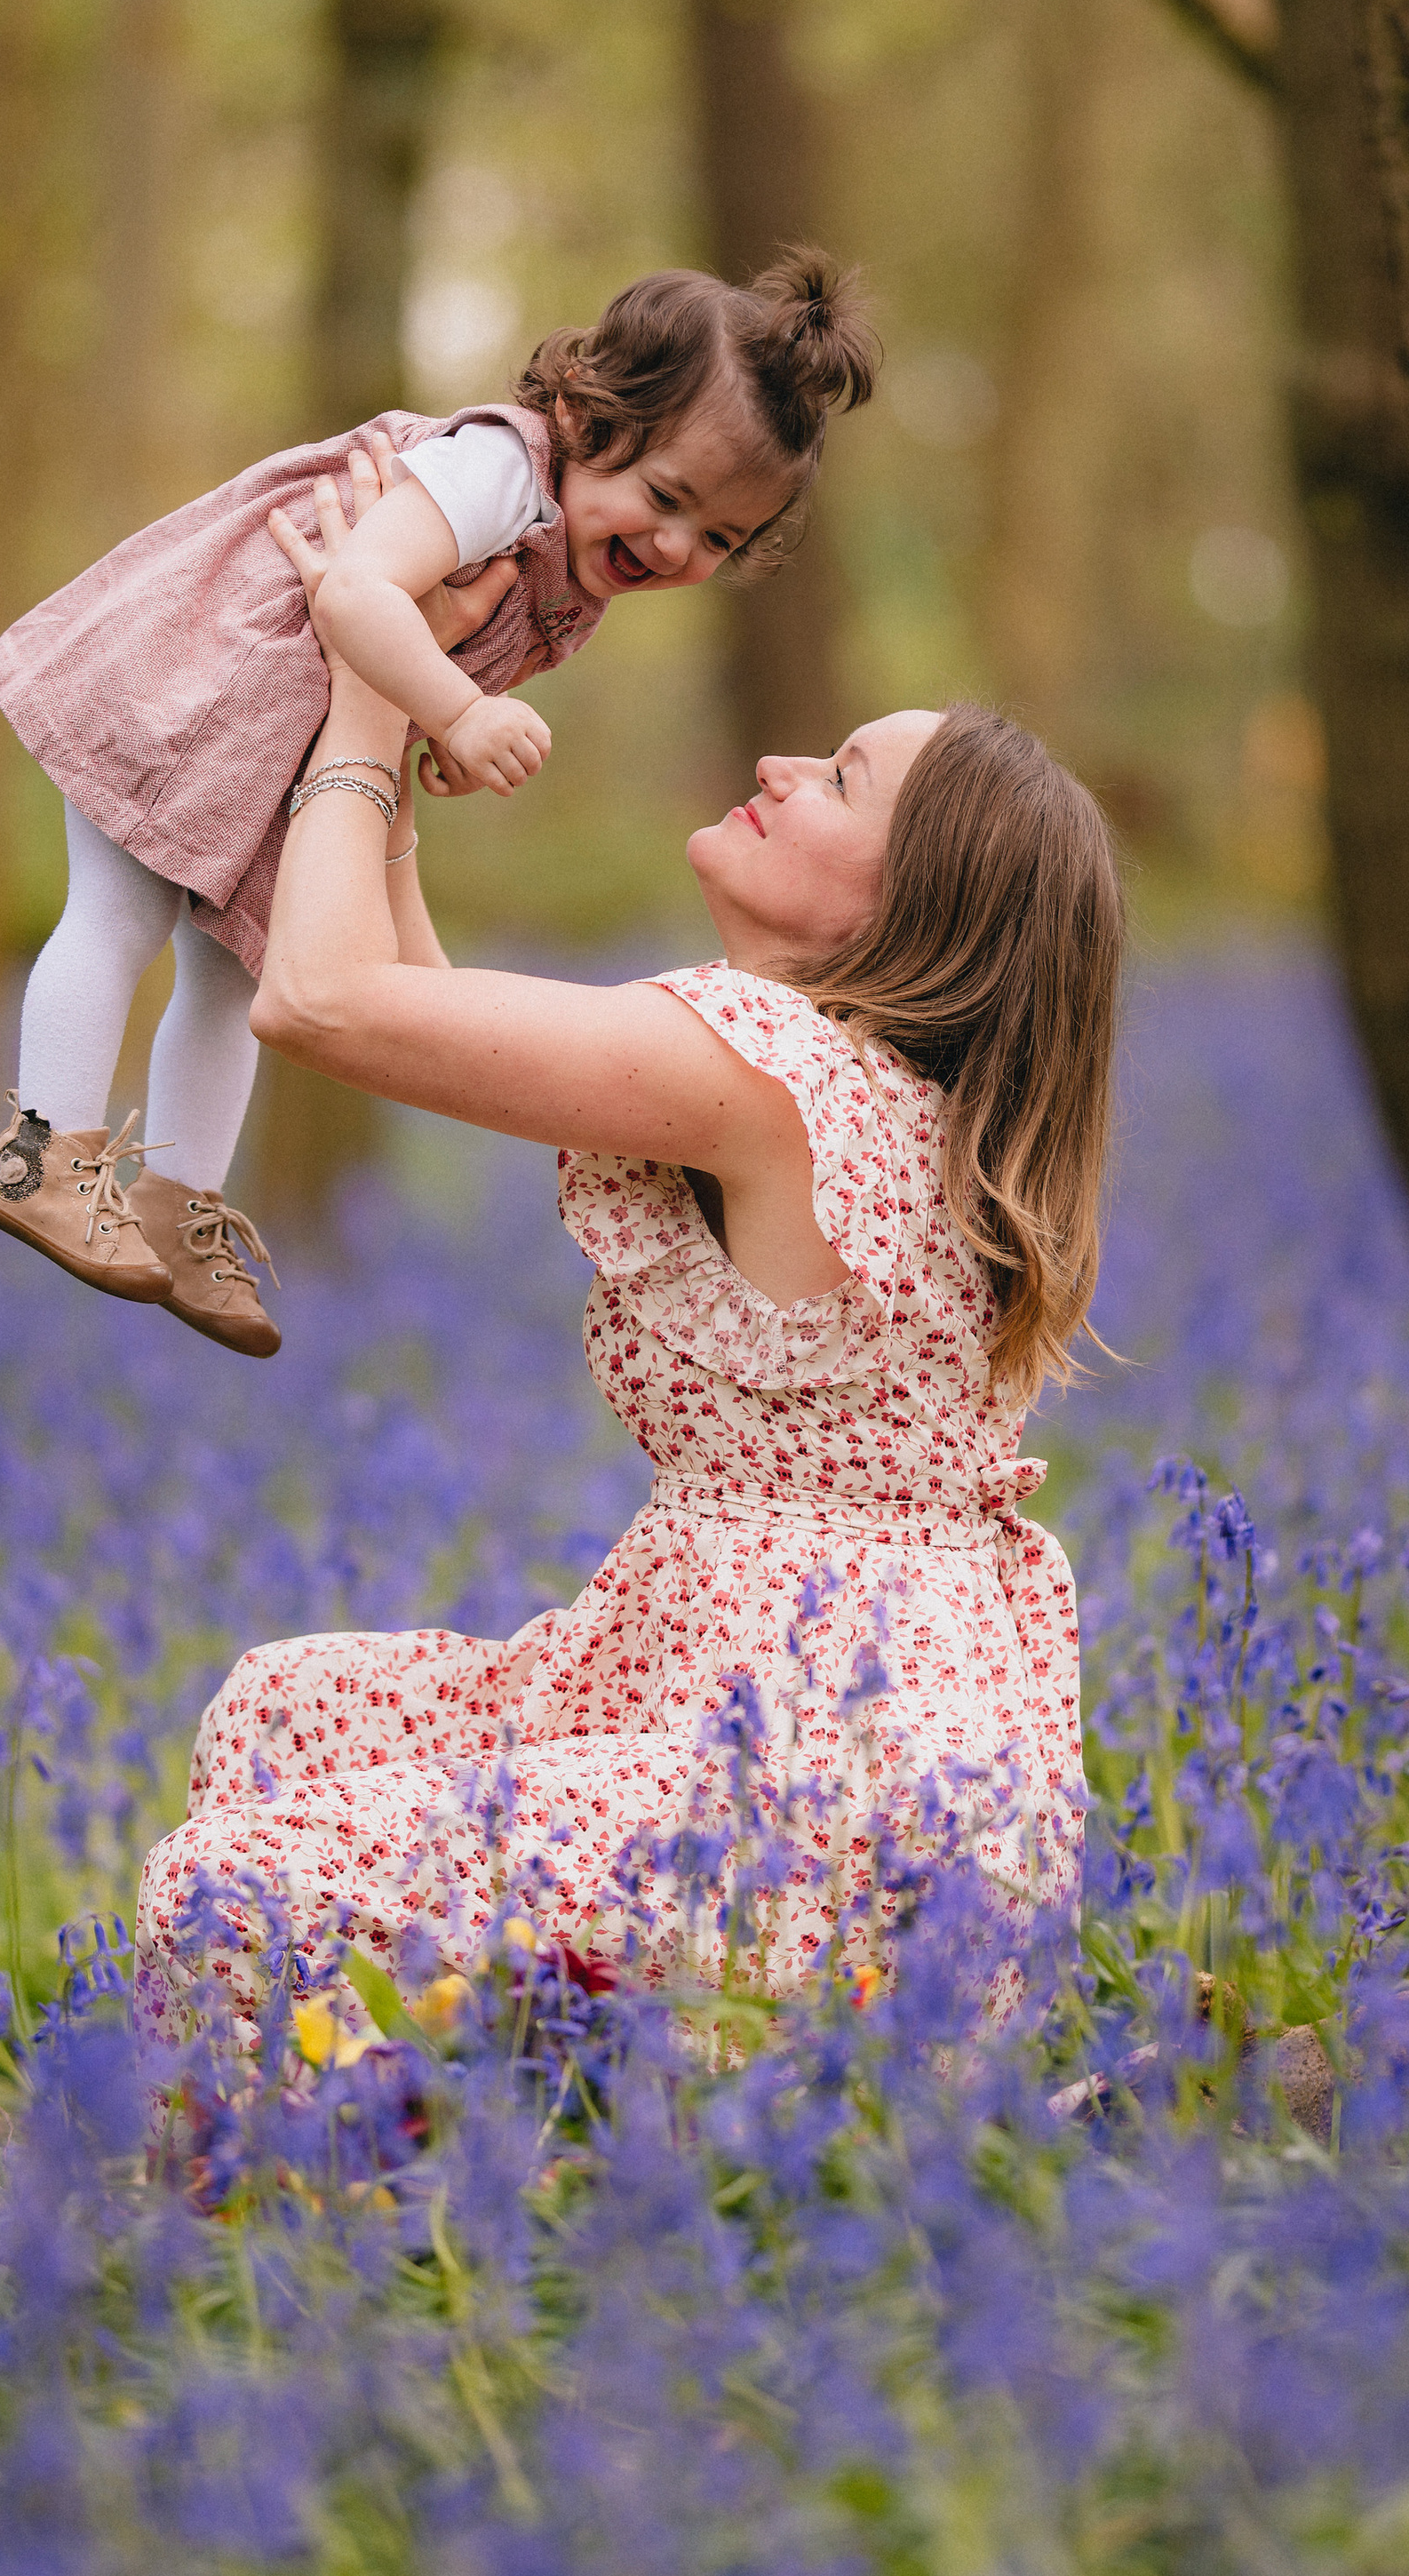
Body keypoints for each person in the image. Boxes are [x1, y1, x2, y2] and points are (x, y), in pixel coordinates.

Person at [133, 447, 1123, 2055]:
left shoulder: (765, 1067)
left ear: (911, 908)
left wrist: (366, 662)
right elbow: (432, 1015)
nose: (788, 759)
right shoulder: (856, 1089)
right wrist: (393, 690)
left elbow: (323, 1001)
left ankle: (350, 2222)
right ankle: (472, 2146)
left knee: (241, 1882)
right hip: (848, 1754)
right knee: (286, 1709)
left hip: (811, 1800)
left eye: (847, 783)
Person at [0, 251, 875, 1357]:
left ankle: (176, 1203)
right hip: (198, 689)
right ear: (587, 416)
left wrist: (431, 730)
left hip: (278, 741)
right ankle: (40, 1149)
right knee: (119, 916)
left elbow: (426, 647)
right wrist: (455, 711)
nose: (677, 546)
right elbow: (354, 587)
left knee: (235, 969)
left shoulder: (577, 553)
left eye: (719, 539)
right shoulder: (498, 467)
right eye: (666, 498)